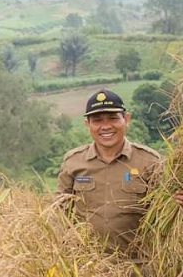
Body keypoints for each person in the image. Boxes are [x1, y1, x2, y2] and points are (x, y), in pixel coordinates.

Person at [56, 88, 183, 258]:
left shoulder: (150, 161)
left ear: (126, 119)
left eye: (113, 118)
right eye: (97, 120)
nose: (106, 126)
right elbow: (58, 213)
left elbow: (166, 211)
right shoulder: (73, 162)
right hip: (85, 266)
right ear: (88, 124)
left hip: (137, 267)